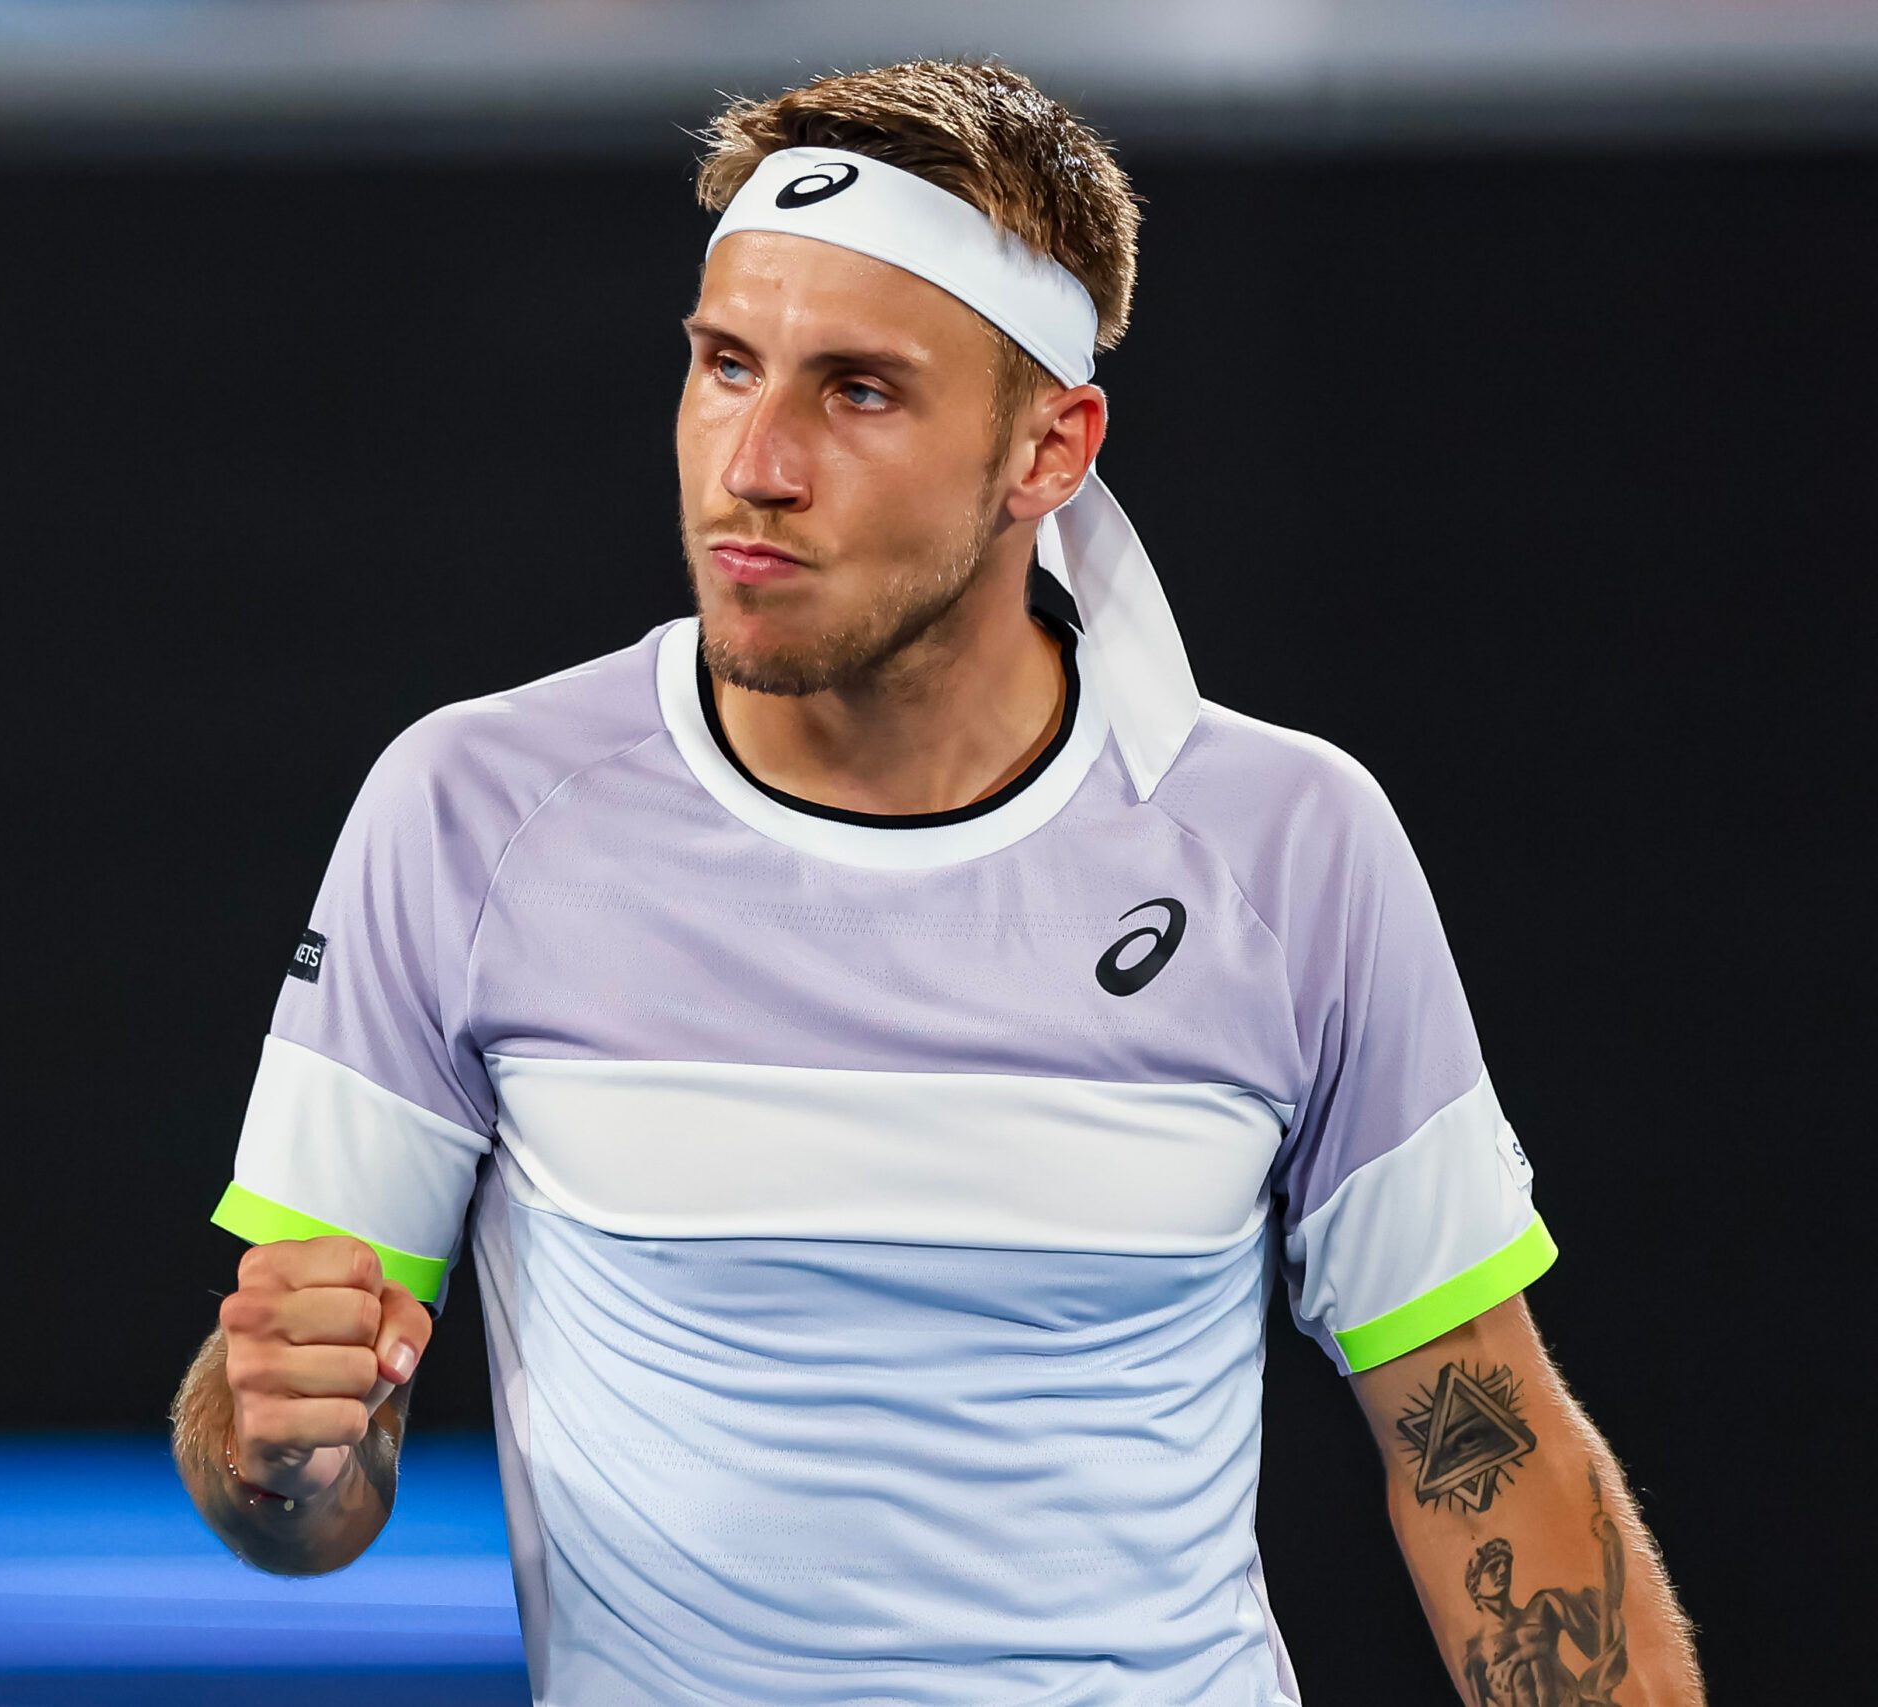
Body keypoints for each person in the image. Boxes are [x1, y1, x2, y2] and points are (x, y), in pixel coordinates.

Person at [170, 56, 1706, 1705]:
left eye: (860, 391)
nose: (751, 462)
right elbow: (301, 1489)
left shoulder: (1291, 849)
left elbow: (1479, 1443)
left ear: (1050, 446)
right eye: (725, 364)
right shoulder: (468, 814)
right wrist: (275, 1451)